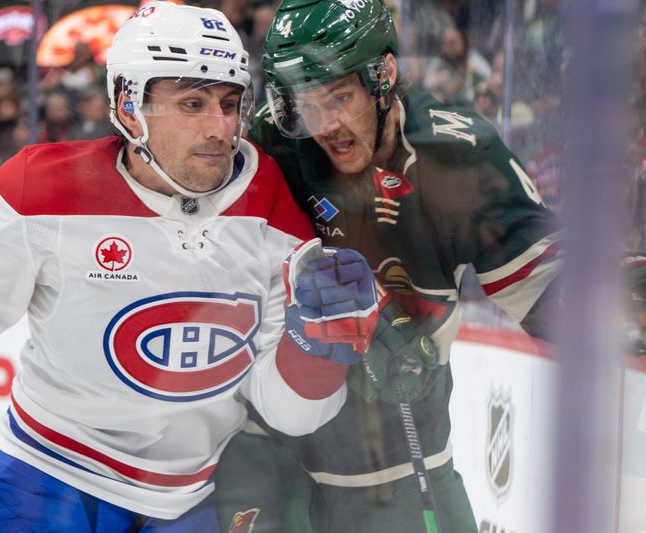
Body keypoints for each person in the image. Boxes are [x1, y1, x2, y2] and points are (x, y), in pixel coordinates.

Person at [0, 3, 378, 532]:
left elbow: (290, 414)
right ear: (128, 108)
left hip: (194, 501)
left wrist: (317, 353)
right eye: (192, 103)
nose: (220, 128)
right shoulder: (43, 191)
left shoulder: (274, 210)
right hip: (43, 474)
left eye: (230, 102)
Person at [214, 1, 562, 532]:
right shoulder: (268, 145)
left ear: (385, 75)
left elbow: (552, 288)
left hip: (400, 463)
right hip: (270, 451)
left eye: (339, 97)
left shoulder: (455, 154)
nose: (325, 124)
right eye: (306, 104)